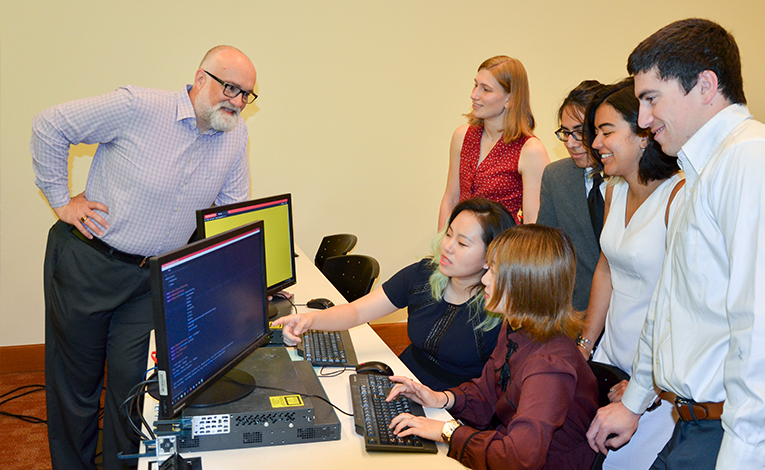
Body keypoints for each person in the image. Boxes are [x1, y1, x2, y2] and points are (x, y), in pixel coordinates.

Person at [586, 18, 765, 470]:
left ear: (705, 85)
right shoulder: (699, 176)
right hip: (699, 429)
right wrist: (635, 400)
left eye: (651, 99)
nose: (643, 120)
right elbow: (669, 306)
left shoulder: (762, 163)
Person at [32, 45, 257, 470]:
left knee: (131, 390)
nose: (238, 101)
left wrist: (232, 284)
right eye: (231, 88)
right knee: (76, 388)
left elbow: (227, 210)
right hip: (89, 264)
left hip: (149, 280)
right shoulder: (139, 107)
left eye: (247, 94)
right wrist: (61, 202)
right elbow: (50, 125)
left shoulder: (236, 134)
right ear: (201, 78)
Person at [386, 224, 598, 470]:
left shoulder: (550, 366)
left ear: (525, 285)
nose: (484, 280)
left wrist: (447, 432)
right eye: (488, 268)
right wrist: (440, 398)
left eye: (494, 272)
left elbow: (519, 458)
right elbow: (487, 393)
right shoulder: (517, 327)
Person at [281, 198, 515, 391]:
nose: (448, 247)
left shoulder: (501, 307)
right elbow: (357, 311)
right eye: (448, 234)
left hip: (454, 404)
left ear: (491, 256)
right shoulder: (423, 274)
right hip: (403, 379)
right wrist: (309, 320)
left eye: (462, 244)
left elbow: (496, 391)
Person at [576, 78, 682, 470]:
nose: (596, 144)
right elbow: (606, 267)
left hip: (656, 374)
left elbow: (680, 301)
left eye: (606, 132)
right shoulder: (614, 189)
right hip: (612, 354)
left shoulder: (679, 196)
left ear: (642, 135)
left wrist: (647, 385)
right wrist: (586, 346)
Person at [438, 55, 550, 229]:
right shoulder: (462, 136)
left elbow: (532, 222)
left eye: (486, 89)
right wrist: (442, 246)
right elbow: (450, 199)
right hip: (461, 244)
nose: (474, 95)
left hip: (500, 248)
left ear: (510, 99)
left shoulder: (530, 150)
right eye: (476, 85)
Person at [538, 80, 607, 311]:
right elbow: (546, 252)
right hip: (575, 312)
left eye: (579, 133)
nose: (571, 143)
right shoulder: (556, 177)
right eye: (565, 133)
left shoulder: (632, 178)